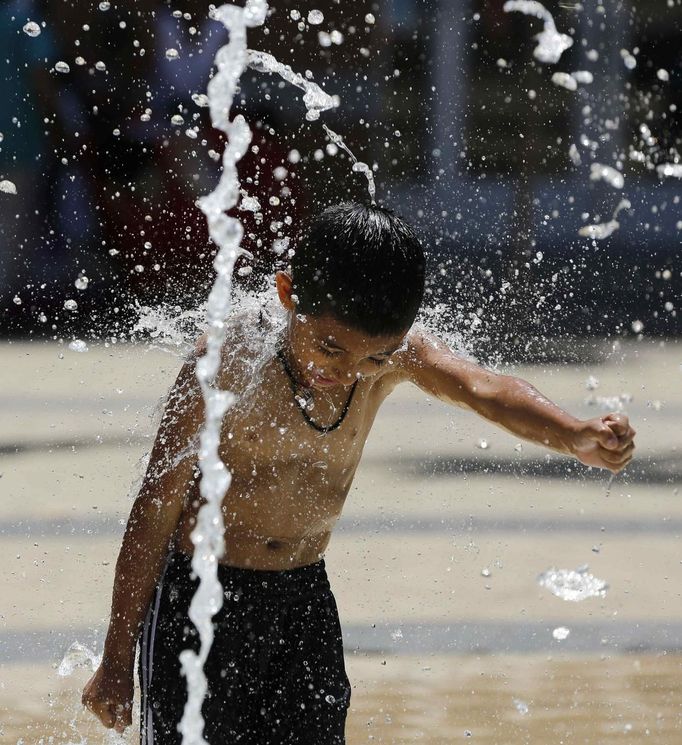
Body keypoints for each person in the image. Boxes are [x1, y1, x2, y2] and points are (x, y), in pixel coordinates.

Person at [82, 202, 636, 744]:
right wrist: (116, 656)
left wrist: (573, 433)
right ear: (286, 294)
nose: (345, 372)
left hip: (303, 597)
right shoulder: (229, 359)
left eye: (372, 359)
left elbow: (481, 387)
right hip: (199, 600)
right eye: (330, 349)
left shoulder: (394, 355)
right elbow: (154, 509)